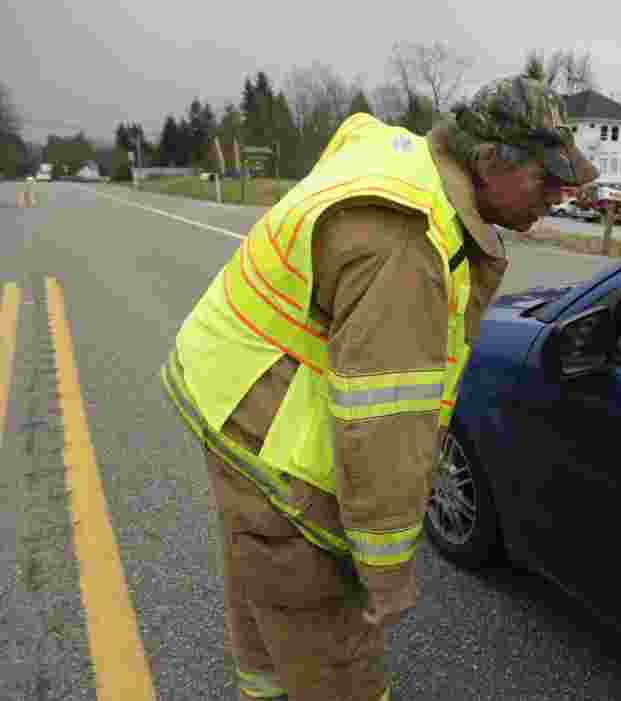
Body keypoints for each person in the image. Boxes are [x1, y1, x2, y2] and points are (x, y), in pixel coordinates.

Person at [159, 76, 597, 701]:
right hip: (267, 434)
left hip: (227, 388)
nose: (560, 194)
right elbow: (382, 427)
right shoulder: (408, 246)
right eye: (546, 179)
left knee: (265, 589)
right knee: (329, 637)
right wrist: (386, 573)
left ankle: (264, 686)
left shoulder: (402, 158)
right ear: (487, 159)